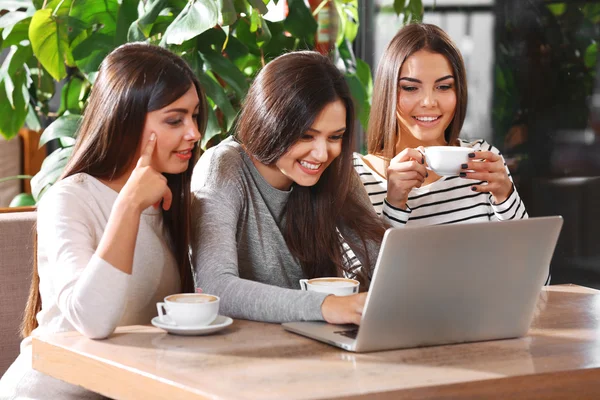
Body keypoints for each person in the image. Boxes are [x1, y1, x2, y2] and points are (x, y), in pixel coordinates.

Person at [0, 43, 207, 399]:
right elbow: (93, 320)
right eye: (175, 119)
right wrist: (128, 204)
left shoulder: (174, 198)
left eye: (194, 116)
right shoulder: (69, 200)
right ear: (124, 119)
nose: (194, 133)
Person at [191, 51, 386, 326]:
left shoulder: (332, 168)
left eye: (335, 137)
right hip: (239, 354)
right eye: (306, 135)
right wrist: (326, 307)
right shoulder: (224, 167)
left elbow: (382, 260)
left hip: (313, 345)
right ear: (270, 122)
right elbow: (214, 288)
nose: (321, 154)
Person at [355, 23, 528, 226]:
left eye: (444, 86)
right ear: (388, 91)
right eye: (411, 88)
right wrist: (394, 203)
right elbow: (368, 259)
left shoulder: (484, 162)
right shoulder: (357, 177)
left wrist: (505, 195)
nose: (429, 102)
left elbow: (525, 255)